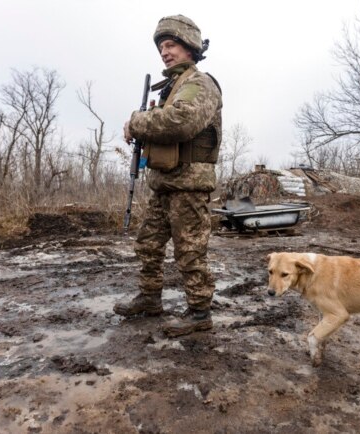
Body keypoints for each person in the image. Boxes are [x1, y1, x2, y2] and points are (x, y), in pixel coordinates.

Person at [113, 14, 222, 337]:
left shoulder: (199, 84)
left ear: (189, 46)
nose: (164, 52)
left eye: (171, 45)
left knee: (189, 251)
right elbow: (164, 126)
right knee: (148, 245)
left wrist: (137, 122)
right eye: (161, 46)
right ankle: (149, 299)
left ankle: (200, 311)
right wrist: (141, 129)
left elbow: (181, 122)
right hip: (163, 183)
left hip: (188, 186)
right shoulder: (172, 88)